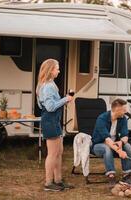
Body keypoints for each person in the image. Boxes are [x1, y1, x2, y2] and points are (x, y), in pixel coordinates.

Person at [36, 59, 74, 192]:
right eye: (57, 68)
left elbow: (45, 104)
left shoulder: (50, 84)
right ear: (50, 70)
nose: (59, 70)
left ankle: (58, 181)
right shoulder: (47, 86)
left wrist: (63, 101)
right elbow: (50, 107)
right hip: (50, 121)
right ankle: (48, 183)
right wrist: (65, 99)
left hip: (53, 121)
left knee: (59, 152)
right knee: (52, 154)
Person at [91, 99, 131, 186]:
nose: (126, 111)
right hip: (98, 145)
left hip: (115, 145)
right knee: (107, 148)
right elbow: (107, 140)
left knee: (128, 146)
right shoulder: (102, 119)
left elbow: (125, 135)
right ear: (117, 110)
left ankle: (127, 175)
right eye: (124, 109)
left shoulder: (123, 119)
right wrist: (119, 151)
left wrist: (121, 142)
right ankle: (111, 176)